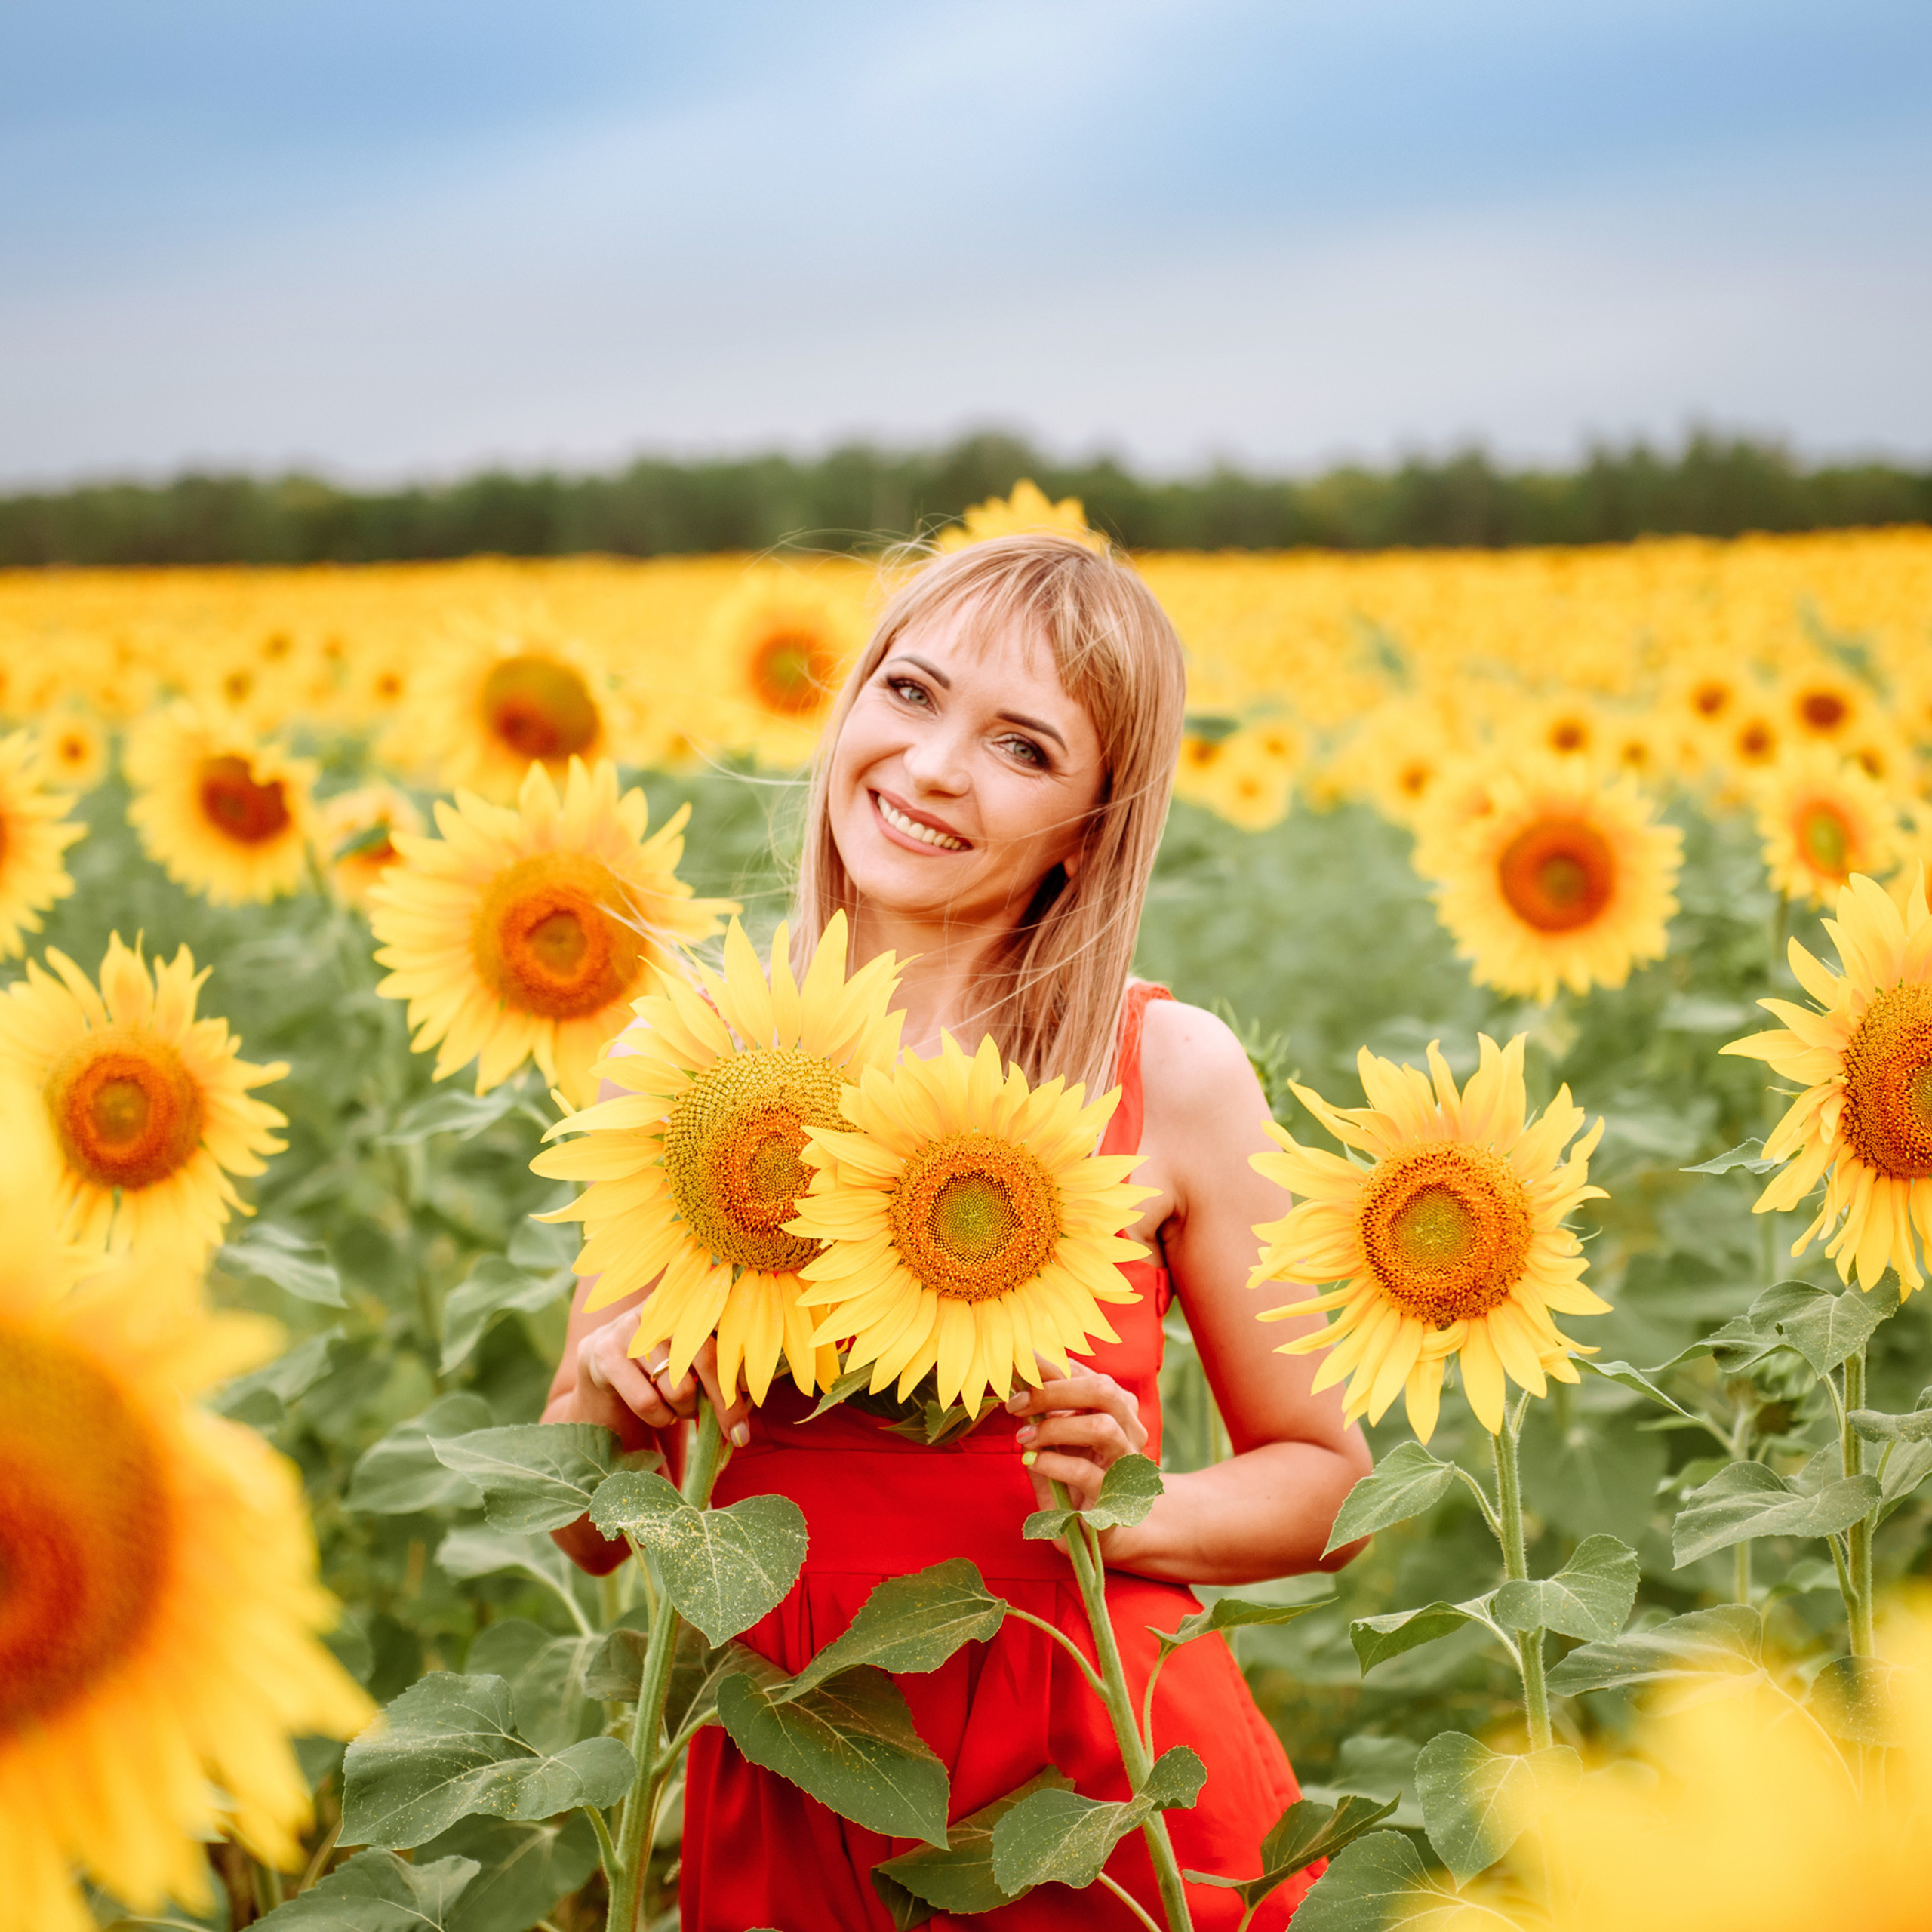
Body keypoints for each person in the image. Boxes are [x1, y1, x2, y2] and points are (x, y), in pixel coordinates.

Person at [544, 531, 1371, 1929]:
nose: (932, 769)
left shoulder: (1163, 1070)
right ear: (851, 703)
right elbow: (588, 1529)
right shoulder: (690, 1064)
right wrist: (614, 1401)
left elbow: (1333, 1484)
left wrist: (1129, 1505)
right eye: (912, 694)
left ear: (1092, 825)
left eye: (1024, 749)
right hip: (799, 1743)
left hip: (1088, 1774)